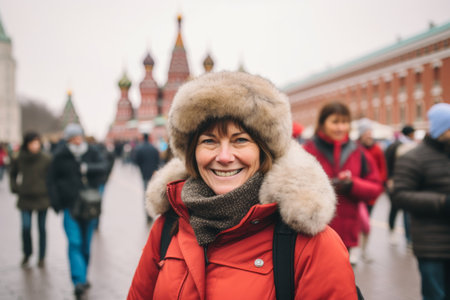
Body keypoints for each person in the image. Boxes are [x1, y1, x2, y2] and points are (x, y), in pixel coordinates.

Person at [127, 72, 358, 299]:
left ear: (263, 150)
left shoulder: (310, 243)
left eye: (240, 140)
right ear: (192, 153)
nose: (225, 156)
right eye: (209, 141)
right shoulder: (169, 226)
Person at [303, 102, 383, 266]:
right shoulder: (306, 150)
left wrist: (352, 185)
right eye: (335, 122)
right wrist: (323, 187)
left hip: (345, 235)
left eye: (344, 122)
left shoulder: (358, 152)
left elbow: (376, 187)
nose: (341, 127)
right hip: (311, 234)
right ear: (323, 123)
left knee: (342, 287)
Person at [393, 103, 450, 300]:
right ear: (441, 129)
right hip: (431, 243)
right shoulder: (413, 158)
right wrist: (442, 202)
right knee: (435, 296)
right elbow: (400, 195)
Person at [47, 123, 108, 299]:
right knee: (74, 242)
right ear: (68, 139)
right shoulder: (60, 156)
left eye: (79, 136)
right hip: (69, 206)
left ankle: (83, 275)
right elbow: (51, 180)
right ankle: (78, 281)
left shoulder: (92, 152)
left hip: (89, 206)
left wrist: (87, 169)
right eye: (73, 137)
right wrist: (56, 203)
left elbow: (104, 167)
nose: (77, 140)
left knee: (86, 244)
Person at [9, 132, 51, 268]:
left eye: (37, 142)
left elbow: (52, 177)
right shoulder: (19, 158)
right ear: (27, 144)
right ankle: (27, 253)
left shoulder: (46, 158)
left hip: (42, 198)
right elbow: (12, 174)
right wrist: (15, 188)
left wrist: (49, 191)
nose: (35, 145)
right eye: (33, 143)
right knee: (26, 228)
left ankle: (42, 256)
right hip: (25, 198)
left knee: (41, 229)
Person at [385, 124, 416, 246]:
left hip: (408, 182)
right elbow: (387, 162)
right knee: (395, 208)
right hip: (396, 182)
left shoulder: (412, 145)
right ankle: (392, 231)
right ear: (410, 134)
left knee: (406, 211)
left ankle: (408, 238)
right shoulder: (395, 146)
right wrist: (389, 179)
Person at [133, 133, 160, 222]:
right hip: (153, 173)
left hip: (144, 173)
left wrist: (142, 167)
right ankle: (152, 212)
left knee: (146, 193)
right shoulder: (153, 148)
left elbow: (136, 161)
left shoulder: (139, 148)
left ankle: (147, 212)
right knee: (152, 192)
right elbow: (158, 160)